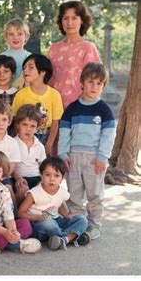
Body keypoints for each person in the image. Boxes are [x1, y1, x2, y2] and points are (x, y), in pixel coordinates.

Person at [58, 63, 116, 240]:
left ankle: (94, 226)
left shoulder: (104, 110)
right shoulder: (72, 109)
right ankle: (77, 223)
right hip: (73, 157)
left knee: (95, 194)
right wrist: (63, 154)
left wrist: (102, 157)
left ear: (103, 86)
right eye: (91, 82)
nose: (95, 87)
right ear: (82, 82)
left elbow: (108, 136)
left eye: (99, 84)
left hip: (95, 159)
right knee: (74, 193)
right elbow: (64, 132)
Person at [18, 157, 91, 250]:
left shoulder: (62, 191)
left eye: (56, 175)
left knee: (82, 219)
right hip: (39, 224)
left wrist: (66, 215)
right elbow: (20, 213)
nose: (52, 179)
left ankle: (63, 239)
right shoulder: (34, 193)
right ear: (41, 175)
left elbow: (58, 203)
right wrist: (36, 217)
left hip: (57, 220)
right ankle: (72, 237)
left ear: (62, 178)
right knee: (49, 224)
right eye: (47, 175)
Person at [48, 0, 102, 109]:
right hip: (55, 109)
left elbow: (97, 79)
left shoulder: (88, 48)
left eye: (74, 18)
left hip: (80, 110)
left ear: (82, 20)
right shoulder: (53, 49)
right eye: (66, 18)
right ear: (61, 21)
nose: (69, 23)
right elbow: (48, 80)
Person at [12, 54, 63, 155]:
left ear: (43, 72)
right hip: (24, 137)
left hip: (46, 137)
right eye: (24, 68)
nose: (25, 71)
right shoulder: (21, 95)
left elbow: (55, 123)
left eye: (31, 67)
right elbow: (15, 120)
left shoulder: (54, 94)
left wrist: (49, 144)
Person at [12, 104, 46, 206]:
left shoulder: (39, 146)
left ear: (37, 128)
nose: (28, 129)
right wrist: (18, 178)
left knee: (45, 188)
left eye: (32, 126)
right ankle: (19, 215)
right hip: (19, 177)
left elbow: (43, 166)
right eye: (25, 124)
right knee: (23, 189)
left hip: (36, 177)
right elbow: (11, 167)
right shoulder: (13, 143)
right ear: (18, 125)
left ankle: (39, 215)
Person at [1, 18, 32, 87]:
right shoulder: (1, 57)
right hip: (6, 94)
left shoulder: (31, 57)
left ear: (26, 37)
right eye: (11, 34)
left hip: (25, 94)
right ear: (5, 37)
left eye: (20, 34)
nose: (15, 37)